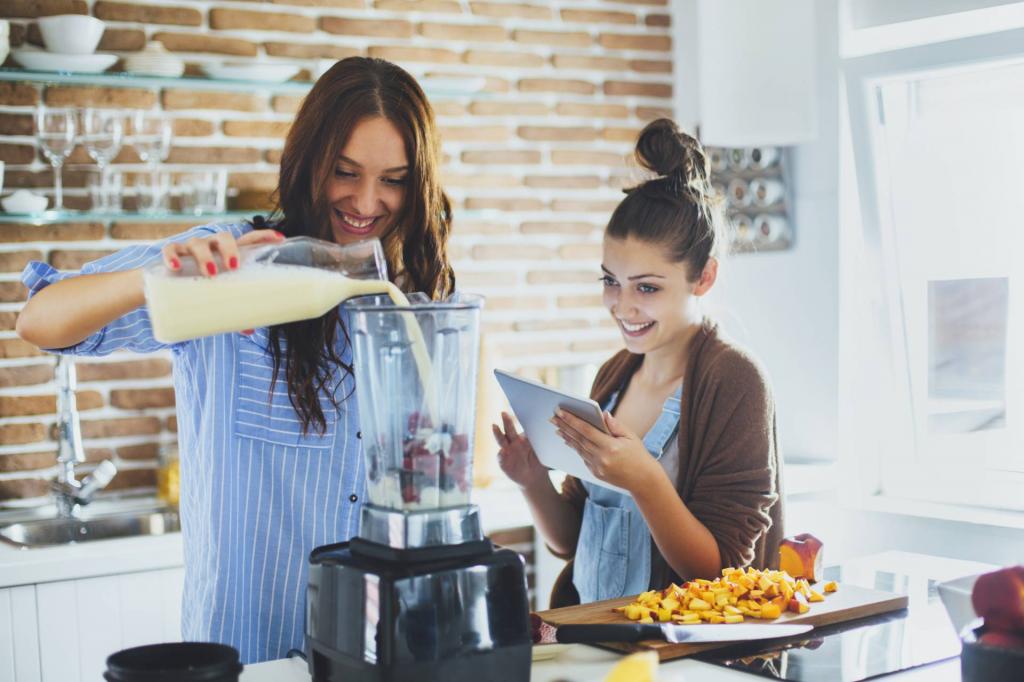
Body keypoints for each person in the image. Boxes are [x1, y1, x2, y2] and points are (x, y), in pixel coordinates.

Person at [16, 57, 455, 663]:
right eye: (344, 172)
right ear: (309, 163)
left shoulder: (419, 289)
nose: (367, 201)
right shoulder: (234, 264)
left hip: (384, 648)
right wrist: (165, 276)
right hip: (250, 654)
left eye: (396, 180)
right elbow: (41, 321)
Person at [493, 118, 784, 608]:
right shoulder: (614, 375)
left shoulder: (733, 382)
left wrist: (643, 478)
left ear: (704, 277)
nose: (622, 307)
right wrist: (531, 479)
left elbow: (725, 571)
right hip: (592, 644)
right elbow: (571, 542)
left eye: (646, 287)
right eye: (612, 281)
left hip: (677, 657)